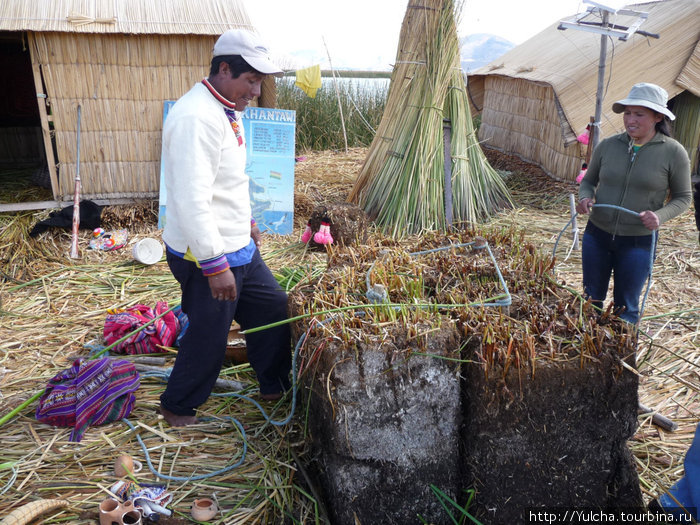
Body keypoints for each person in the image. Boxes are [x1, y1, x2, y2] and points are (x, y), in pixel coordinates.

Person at [159, 29, 291, 426]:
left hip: (238, 248)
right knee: (209, 334)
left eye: (260, 82)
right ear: (224, 68)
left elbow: (227, 181)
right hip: (207, 255)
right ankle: (177, 406)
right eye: (251, 80)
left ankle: (273, 384)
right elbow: (190, 199)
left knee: (272, 309)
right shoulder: (195, 117)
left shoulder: (226, 109)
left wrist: (246, 222)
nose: (256, 90)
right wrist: (215, 265)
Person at [576, 82, 691, 324]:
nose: (631, 119)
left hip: (638, 241)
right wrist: (585, 197)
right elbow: (588, 181)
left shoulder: (673, 152)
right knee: (590, 302)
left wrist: (660, 216)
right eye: (628, 113)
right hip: (597, 236)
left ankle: (622, 359)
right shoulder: (608, 146)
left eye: (639, 114)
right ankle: (588, 355)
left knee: (626, 308)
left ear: (658, 117)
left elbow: (683, 197)